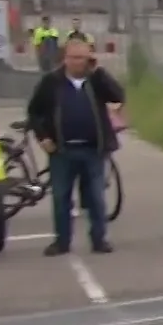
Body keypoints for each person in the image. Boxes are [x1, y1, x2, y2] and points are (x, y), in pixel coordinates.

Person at [24, 37, 125, 257]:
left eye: (82, 58)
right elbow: (34, 111)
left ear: (89, 58)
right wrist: (43, 137)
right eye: (73, 57)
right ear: (65, 58)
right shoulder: (51, 82)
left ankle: (99, 239)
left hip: (93, 149)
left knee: (96, 197)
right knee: (61, 197)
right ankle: (62, 242)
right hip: (62, 151)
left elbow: (118, 95)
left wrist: (99, 71)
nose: (77, 62)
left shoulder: (96, 79)